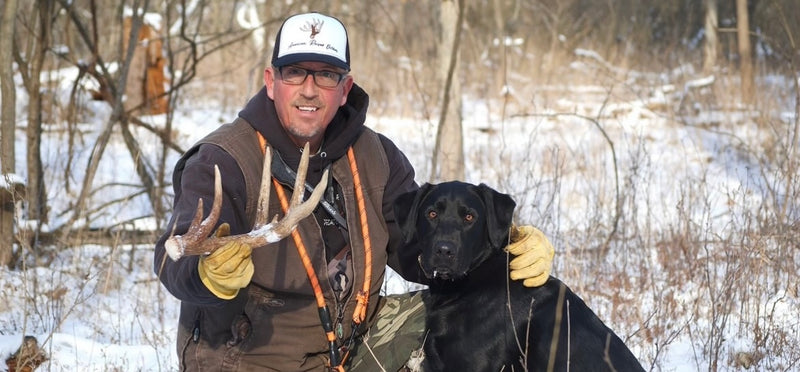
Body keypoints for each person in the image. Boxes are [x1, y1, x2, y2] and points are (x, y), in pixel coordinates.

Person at [154, 12, 555, 372]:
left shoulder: (375, 155)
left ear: (345, 88)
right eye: (294, 72)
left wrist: (502, 246)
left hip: (355, 344)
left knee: (509, 304)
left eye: (326, 75)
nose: (309, 90)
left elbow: (420, 250)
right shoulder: (223, 160)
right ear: (271, 82)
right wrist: (206, 273)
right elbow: (173, 255)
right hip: (253, 355)